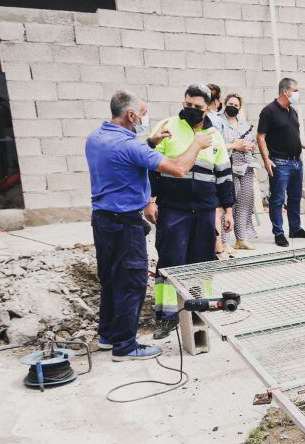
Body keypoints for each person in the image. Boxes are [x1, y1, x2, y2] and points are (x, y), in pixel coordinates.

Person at [85, 90, 211, 360]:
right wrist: (197, 144)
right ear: (130, 115)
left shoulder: (96, 137)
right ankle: (125, 346)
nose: (145, 119)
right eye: (142, 114)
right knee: (131, 282)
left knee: (110, 280)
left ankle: (108, 336)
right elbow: (179, 168)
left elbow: (126, 156)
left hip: (102, 220)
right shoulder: (131, 146)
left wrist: (151, 142)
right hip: (125, 224)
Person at [150, 84, 233, 341]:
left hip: (205, 209)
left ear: (208, 107)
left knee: (202, 261)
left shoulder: (214, 135)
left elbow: (224, 174)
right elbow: (151, 168)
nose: (192, 110)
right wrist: (149, 201)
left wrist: (228, 210)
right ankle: (167, 316)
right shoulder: (167, 127)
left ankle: (199, 310)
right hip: (173, 208)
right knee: (170, 261)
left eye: (198, 107)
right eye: (188, 105)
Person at [257, 77, 305, 247]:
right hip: (279, 163)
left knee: (295, 198)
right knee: (277, 199)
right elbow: (261, 136)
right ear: (285, 91)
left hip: (296, 162)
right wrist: (266, 159)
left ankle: (295, 229)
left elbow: (293, 136)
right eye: (295, 90)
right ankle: (279, 233)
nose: (297, 93)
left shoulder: (292, 111)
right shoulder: (268, 111)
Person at [218, 93, 258, 250]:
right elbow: (218, 144)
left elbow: (252, 141)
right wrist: (235, 145)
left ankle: (241, 238)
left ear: (240, 107)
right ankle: (224, 241)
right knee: (229, 204)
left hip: (246, 166)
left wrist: (250, 146)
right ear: (225, 104)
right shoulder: (219, 122)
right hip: (228, 167)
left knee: (245, 202)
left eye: (236, 105)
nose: (233, 107)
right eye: (230, 104)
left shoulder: (243, 122)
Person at [206, 83, 231, 259]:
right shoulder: (213, 120)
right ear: (215, 100)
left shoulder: (213, 118)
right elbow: (218, 145)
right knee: (216, 210)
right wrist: (235, 144)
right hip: (215, 168)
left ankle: (220, 246)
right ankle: (219, 249)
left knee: (217, 210)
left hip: (214, 166)